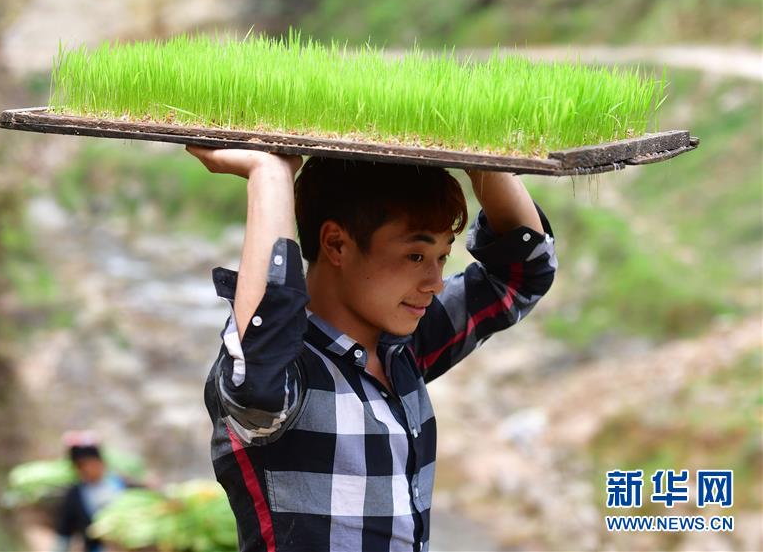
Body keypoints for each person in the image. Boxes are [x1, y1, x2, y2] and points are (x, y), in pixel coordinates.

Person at [188, 146, 557, 552]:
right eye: (415, 255)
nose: (434, 282)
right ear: (336, 245)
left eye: (441, 256)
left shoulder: (403, 348)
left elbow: (523, 274)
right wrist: (271, 176)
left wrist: (480, 157)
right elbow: (256, 378)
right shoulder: (293, 376)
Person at [54, 434, 130, 552]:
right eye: (80, 466)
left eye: (90, 464)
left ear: (101, 462)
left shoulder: (124, 485)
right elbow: (65, 531)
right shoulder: (74, 495)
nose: (87, 470)